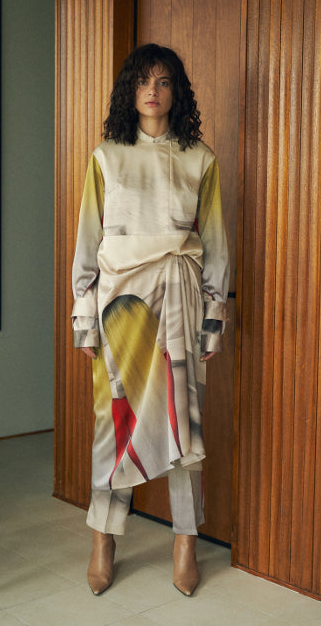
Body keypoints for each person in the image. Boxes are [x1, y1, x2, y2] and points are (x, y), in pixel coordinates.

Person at [71, 43, 230, 597]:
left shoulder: (200, 159)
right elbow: (87, 241)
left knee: (184, 423)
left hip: (181, 297)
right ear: (130, 90)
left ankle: (185, 541)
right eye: (143, 81)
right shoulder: (106, 156)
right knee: (113, 421)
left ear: (176, 91)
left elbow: (215, 244)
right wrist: (84, 320)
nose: (153, 91)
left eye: (163, 81)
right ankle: (103, 537)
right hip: (120, 303)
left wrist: (214, 318)